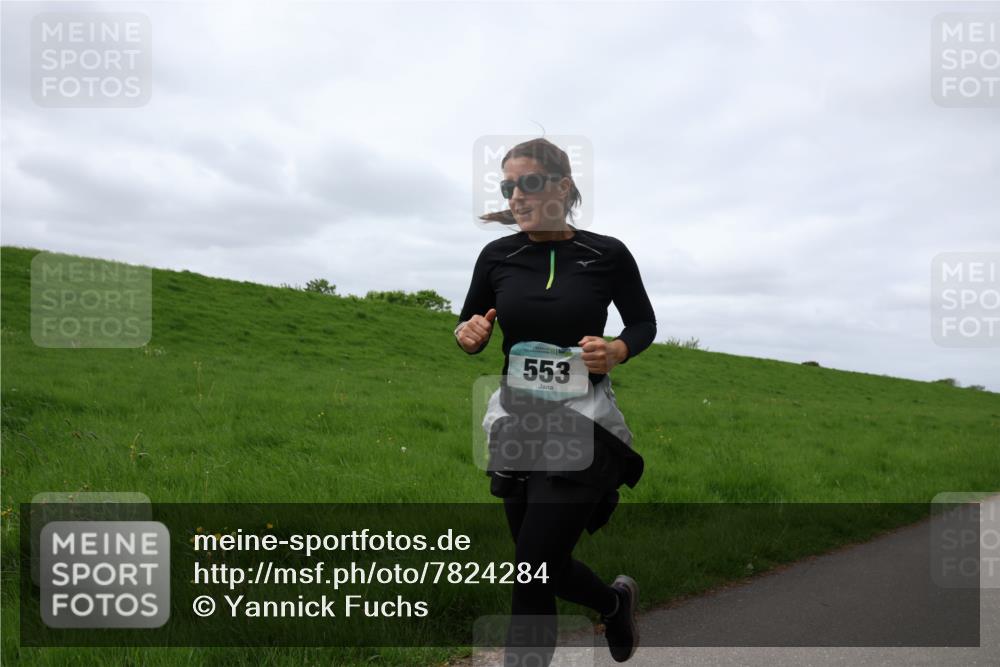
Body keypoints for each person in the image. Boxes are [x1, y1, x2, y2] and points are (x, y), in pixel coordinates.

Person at [454, 138, 656, 664]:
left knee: (531, 568)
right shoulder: (498, 255)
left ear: (562, 187)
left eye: (528, 182)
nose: (515, 195)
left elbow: (643, 322)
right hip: (517, 420)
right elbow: (471, 320)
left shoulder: (605, 253)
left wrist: (617, 349)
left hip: (582, 422)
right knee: (538, 564)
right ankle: (613, 604)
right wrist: (468, 334)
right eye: (507, 186)